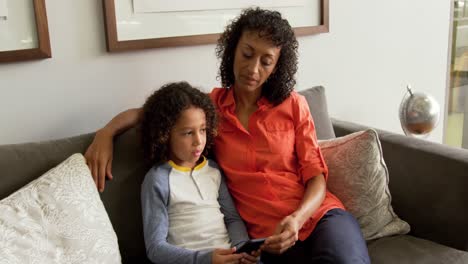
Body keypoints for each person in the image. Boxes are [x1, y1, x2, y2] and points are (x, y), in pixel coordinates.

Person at [85, 7, 371, 264]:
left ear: (276, 67)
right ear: (233, 49)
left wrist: (297, 219)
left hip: (320, 218)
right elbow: (152, 111)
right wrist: (106, 133)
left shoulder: (294, 105)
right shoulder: (210, 109)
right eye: (247, 54)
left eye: (266, 61)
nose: (253, 68)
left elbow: (316, 177)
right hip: (264, 240)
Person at [139, 81, 259, 264]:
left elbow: (232, 219)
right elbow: (156, 248)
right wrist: (206, 259)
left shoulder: (213, 170)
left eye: (202, 130)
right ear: (164, 134)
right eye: (188, 133)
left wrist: (242, 249)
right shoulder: (158, 179)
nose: (198, 141)